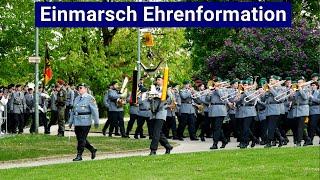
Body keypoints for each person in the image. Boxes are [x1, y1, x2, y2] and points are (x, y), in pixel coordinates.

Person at [69, 83, 99, 161]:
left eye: (81, 88)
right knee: (80, 139)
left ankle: (79, 155)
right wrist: (70, 121)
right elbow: (73, 110)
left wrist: (96, 121)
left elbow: (95, 111)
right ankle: (92, 149)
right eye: (78, 88)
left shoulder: (90, 98)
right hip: (77, 121)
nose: (79, 89)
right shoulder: (76, 98)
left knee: (82, 139)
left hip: (86, 121)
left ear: (85, 89)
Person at [149, 75, 173, 155]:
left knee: (156, 131)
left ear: (163, 81)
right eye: (157, 80)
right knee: (155, 132)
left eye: (159, 79)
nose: (157, 81)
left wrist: (164, 102)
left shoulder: (165, 89)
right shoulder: (153, 88)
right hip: (153, 111)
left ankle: (153, 150)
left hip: (161, 111)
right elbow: (150, 99)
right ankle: (167, 146)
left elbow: (171, 99)